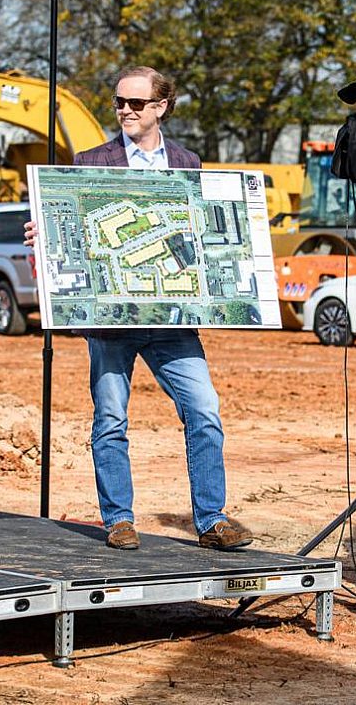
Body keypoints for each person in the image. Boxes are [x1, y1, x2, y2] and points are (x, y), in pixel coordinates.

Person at [25, 66, 251, 551]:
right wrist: (45, 235)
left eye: (135, 103)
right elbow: (69, 231)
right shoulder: (91, 160)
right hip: (111, 322)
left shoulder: (187, 161)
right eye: (119, 102)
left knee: (205, 412)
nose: (125, 110)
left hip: (172, 320)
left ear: (161, 107)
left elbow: (201, 236)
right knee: (111, 419)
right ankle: (119, 519)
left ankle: (211, 519)